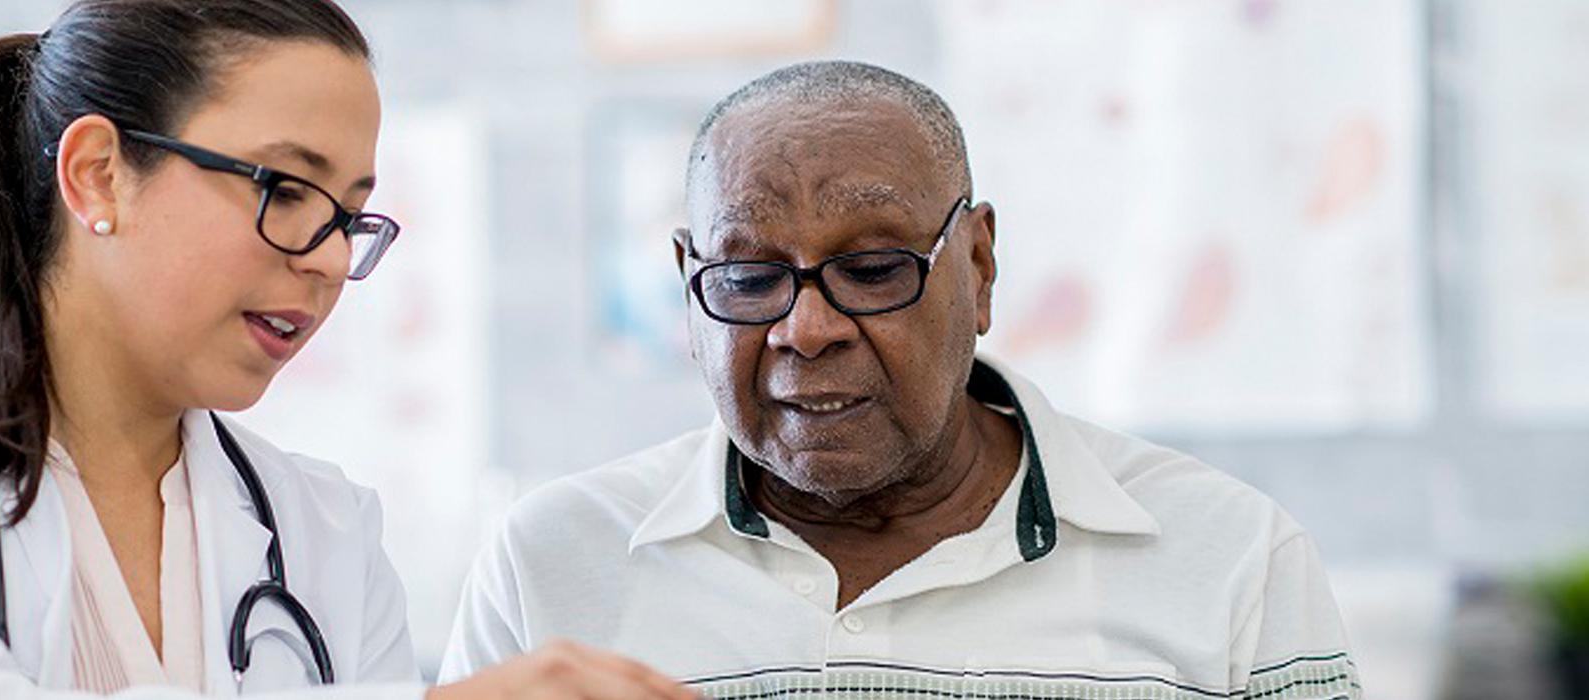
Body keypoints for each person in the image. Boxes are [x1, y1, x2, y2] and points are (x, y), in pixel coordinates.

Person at [0, 2, 692, 699]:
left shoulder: (321, 530)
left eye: (353, 215)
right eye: (285, 190)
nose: (333, 259)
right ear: (97, 176)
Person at [442, 60, 1360, 699]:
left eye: (875, 270)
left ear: (981, 264)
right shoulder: (551, 567)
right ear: (689, 287)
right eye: (749, 278)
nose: (806, 329)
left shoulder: (1229, 559)